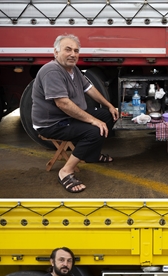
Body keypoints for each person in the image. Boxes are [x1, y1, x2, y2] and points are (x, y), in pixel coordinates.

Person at [30, 34, 120, 193]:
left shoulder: (74, 70)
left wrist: (109, 105)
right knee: (94, 130)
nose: (73, 54)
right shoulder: (51, 71)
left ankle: (91, 155)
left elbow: (90, 89)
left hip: (67, 117)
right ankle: (65, 171)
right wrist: (93, 120)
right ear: (56, 52)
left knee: (107, 116)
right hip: (52, 123)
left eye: (76, 51)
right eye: (68, 50)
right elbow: (63, 103)